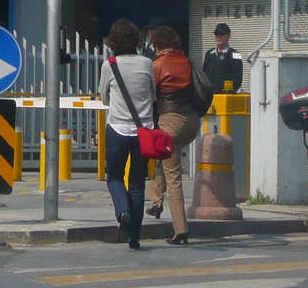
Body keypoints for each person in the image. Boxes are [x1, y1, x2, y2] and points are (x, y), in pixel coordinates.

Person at [98, 19, 154, 249]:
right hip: (144, 131)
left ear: (113, 41)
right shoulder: (147, 63)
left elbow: (104, 98)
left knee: (114, 176)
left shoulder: (109, 65)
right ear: (136, 40)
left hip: (118, 129)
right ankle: (134, 237)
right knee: (138, 183)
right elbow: (154, 94)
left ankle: (122, 210)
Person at [145, 26, 200, 245]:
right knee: (165, 156)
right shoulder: (187, 62)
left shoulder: (156, 65)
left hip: (170, 121)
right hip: (192, 122)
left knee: (174, 176)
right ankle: (155, 201)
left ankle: (181, 230)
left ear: (158, 45)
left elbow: (148, 96)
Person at [203, 23, 242, 93]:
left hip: (225, 96)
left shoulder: (235, 54)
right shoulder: (209, 54)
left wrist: (229, 93)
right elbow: (204, 75)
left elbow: (237, 79)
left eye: (221, 34)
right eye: (216, 34)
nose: (218, 37)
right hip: (209, 96)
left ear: (228, 36)